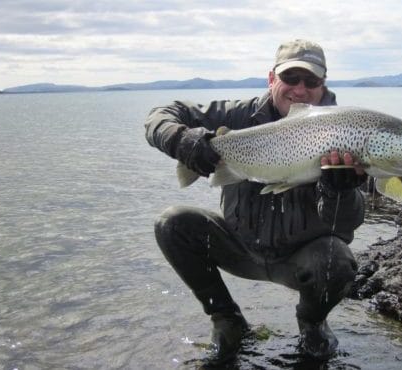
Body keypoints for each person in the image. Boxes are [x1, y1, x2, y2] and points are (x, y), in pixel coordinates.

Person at [144, 39, 367, 364]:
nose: (300, 89)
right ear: (271, 78)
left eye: (311, 81)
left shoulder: (342, 133)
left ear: (323, 85)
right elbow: (159, 116)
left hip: (301, 259)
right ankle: (226, 319)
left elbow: (345, 225)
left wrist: (339, 191)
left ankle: (312, 323)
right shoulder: (238, 116)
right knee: (171, 223)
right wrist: (181, 140)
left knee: (337, 261)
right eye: (291, 78)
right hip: (240, 246)